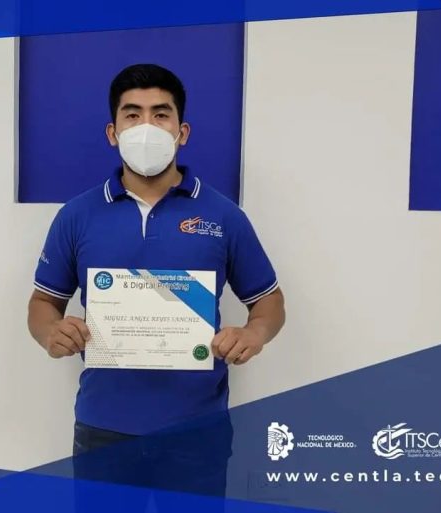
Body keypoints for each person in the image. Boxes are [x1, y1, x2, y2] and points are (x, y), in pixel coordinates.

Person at [27, 63, 285, 509]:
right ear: (113, 133)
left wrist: (254, 333)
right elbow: (42, 302)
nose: (146, 126)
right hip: (103, 428)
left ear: (182, 132)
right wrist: (50, 331)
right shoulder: (77, 215)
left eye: (160, 114)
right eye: (132, 114)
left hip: (196, 430)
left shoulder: (223, 216)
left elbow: (269, 302)